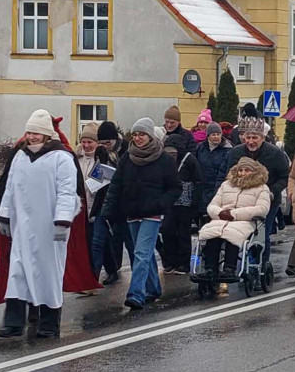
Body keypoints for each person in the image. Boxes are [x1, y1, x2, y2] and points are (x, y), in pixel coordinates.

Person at [0, 110, 81, 338]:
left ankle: (49, 324)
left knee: (48, 273)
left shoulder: (62, 158)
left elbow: (67, 192)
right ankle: (13, 323)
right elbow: (11, 188)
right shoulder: (20, 157)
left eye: (36, 133)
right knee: (18, 273)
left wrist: (63, 221)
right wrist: (5, 216)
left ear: (46, 135)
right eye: (29, 132)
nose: (31, 137)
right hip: (23, 227)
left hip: (49, 229)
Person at [102, 118, 182, 311]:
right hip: (132, 212)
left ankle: (136, 293)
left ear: (150, 136)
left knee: (141, 252)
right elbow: (116, 185)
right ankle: (153, 288)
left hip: (152, 214)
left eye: (142, 134)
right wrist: (108, 208)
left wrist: (160, 204)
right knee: (144, 254)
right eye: (135, 134)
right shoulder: (127, 158)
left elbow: (175, 188)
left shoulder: (163, 159)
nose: (138, 138)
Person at [218, 116, 290, 267]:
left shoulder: (275, 154)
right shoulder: (235, 153)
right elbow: (224, 175)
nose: (251, 141)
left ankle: (259, 266)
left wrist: (272, 191)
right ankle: (241, 264)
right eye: (248, 137)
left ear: (262, 138)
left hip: (267, 201)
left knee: (261, 235)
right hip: (241, 201)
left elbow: (285, 177)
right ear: (243, 137)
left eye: (255, 137)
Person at [199, 157, 271, 280]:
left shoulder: (262, 188)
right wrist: (220, 213)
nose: (243, 173)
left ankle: (229, 268)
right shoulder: (226, 185)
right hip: (221, 219)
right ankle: (210, 269)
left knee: (232, 235)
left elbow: (262, 209)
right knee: (211, 234)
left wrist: (234, 214)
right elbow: (212, 205)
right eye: (240, 170)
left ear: (254, 172)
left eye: (247, 170)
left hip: (245, 220)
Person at [161, 130, 204, 274]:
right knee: (167, 230)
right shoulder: (165, 160)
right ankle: (169, 261)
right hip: (170, 201)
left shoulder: (189, 159)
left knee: (183, 233)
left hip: (186, 202)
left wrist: (195, 203)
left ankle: (183, 264)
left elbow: (198, 180)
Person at [76, 122, 115, 280]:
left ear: (97, 143)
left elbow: (100, 184)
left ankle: (91, 279)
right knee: (98, 242)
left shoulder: (104, 159)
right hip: (82, 207)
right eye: (83, 142)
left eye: (90, 142)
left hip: (99, 207)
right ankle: (112, 269)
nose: (86, 145)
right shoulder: (76, 159)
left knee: (95, 243)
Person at [196, 122, 233, 213]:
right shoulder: (200, 148)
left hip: (219, 186)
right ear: (208, 136)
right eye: (213, 134)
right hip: (203, 186)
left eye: (218, 134)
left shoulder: (228, 149)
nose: (216, 137)